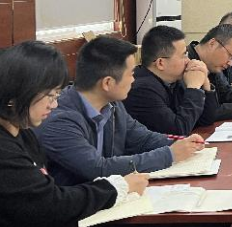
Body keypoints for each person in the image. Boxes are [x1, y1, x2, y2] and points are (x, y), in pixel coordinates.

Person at [0, 41, 149, 227]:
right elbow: (49, 204)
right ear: (19, 91)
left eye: (57, 95)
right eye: (50, 95)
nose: (54, 104)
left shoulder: (23, 134)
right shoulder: (5, 149)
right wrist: (116, 187)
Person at [35, 37, 203, 186]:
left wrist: (182, 143)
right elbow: (98, 168)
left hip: (109, 198)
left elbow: (143, 139)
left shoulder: (112, 105)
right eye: (131, 73)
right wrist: (169, 155)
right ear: (107, 83)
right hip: (78, 205)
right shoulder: (59, 119)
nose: (134, 79)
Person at [123, 25, 219, 135]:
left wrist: (205, 82)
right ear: (161, 63)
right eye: (183, 55)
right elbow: (178, 131)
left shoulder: (175, 80)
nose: (188, 60)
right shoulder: (142, 90)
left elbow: (206, 120)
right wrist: (194, 88)